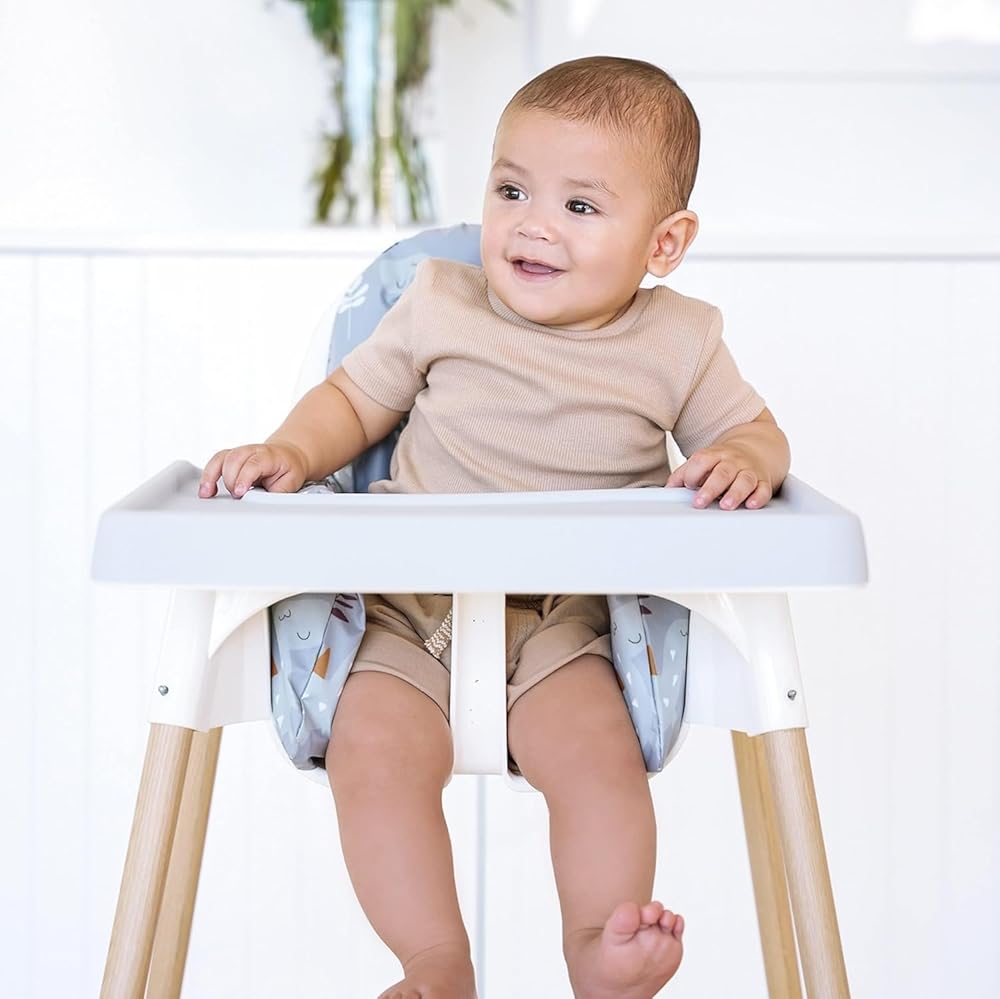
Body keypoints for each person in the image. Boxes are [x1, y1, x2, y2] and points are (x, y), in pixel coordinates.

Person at [199, 55, 790, 999]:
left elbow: (752, 431)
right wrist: (291, 451)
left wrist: (748, 459)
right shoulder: (441, 299)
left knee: (597, 760)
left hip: (566, 618)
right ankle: (435, 963)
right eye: (511, 190)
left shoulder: (679, 341)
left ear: (665, 241)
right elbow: (352, 400)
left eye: (580, 206)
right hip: (405, 604)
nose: (533, 224)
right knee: (372, 753)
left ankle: (597, 946)